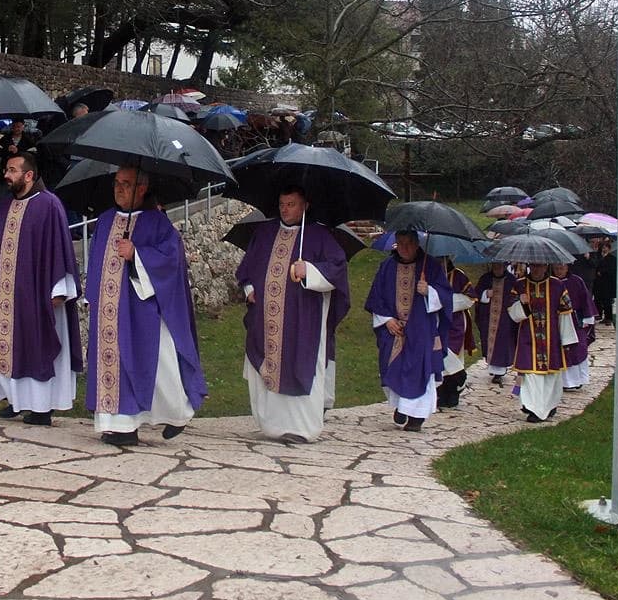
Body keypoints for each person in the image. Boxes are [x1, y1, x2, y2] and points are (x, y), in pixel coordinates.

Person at [84, 167, 207, 446]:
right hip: (108, 311)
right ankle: (120, 427)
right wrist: (93, 296)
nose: (119, 188)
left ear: (142, 189)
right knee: (114, 365)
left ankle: (178, 414)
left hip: (141, 311)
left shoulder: (157, 223)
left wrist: (137, 254)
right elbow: (95, 261)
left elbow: (171, 261)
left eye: (126, 184)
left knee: (158, 365)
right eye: (117, 183)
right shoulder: (104, 220)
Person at [234, 186, 350, 443]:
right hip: (265, 320)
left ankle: (301, 428)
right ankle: (272, 425)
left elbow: (338, 269)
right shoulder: (264, 233)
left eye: (291, 204)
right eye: (282, 204)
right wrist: (249, 289)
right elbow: (246, 269)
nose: (285, 209)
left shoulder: (319, 235)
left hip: (302, 320)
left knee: (299, 363)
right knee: (266, 365)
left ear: (305, 205)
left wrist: (309, 270)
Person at [0, 152, 80, 424]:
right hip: (7, 295)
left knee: (36, 347)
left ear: (29, 175)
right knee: (6, 344)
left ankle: (41, 409)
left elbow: (60, 248)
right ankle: (16, 401)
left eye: (12, 170)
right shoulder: (6, 205)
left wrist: (59, 289)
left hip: (37, 294)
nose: (6, 175)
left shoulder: (49, 204)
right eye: (7, 170)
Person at [365, 231, 452, 431]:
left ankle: (416, 416)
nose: (404, 248)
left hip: (421, 330)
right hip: (394, 330)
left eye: (409, 243)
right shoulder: (387, 266)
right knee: (393, 367)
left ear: (417, 244)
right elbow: (376, 297)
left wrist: (429, 291)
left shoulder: (431, 266)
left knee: (420, 369)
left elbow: (446, 297)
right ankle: (401, 406)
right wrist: (387, 320)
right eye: (400, 243)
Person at [510, 262, 576, 422]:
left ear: (546, 267)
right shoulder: (519, 285)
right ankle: (535, 409)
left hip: (551, 339)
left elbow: (565, 313)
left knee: (551, 376)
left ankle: (549, 404)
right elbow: (513, 314)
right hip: (528, 338)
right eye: (533, 266)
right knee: (530, 374)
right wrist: (521, 303)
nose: (536, 269)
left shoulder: (557, 285)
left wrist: (567, 339)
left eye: (540, 266)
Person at [552, 261, 597, 391]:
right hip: (556, 321)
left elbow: (585, 299)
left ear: (567, 268)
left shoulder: (576, 281)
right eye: (556, 268)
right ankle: (564, 382)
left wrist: (588, 317)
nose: (559, 271)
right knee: (560, 350)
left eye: (561, 268)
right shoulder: (551, 282)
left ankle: (578, 380)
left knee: (577, 349)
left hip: (575, 321)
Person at [437, 257, 476, 409]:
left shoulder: (458, 275)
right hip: (434, 323)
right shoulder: (428, 275)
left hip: (455, 323)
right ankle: (441, 393)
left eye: (442, 259)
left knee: (452, 355)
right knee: (438, 358)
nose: (440, 262)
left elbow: (470, 298)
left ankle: (454, 391)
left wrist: (446, 300)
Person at [474, 262, 521, 384]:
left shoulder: (511, 280)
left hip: (505, 318)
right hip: (488, 318)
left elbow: (516, 296)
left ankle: (499, 372)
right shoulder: (485, 278)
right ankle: (493, 368)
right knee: (489, 342)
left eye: (499, 266)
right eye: (495, 266)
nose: (497, 268)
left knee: (502, 344)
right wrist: (485, 294)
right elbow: (476, 293)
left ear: (504, 266)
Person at [589, 238, 617, 326]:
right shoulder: (598, 256)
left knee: (607, 301)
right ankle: (598, 314)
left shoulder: (612, 258)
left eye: (605, 247)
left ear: (609, 248)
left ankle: (608, 318)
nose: (604, 249)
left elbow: (612, 269)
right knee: (597, 298)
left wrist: (602, 272)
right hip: (598, 282)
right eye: (603, 247)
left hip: (607, 283)